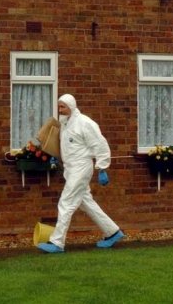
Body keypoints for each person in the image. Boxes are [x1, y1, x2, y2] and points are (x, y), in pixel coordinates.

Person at [37, 94, 124, 252]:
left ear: (71, 106)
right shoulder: (65, 123)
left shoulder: (84, 123)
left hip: (81, 168)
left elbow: (100, 144)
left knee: (66, 202)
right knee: (87, 203)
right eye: (59, 106)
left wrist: (102, 167)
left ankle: (57, 242)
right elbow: (67, 146)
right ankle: (113, 232)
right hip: (71, 169)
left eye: (63, 106)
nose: (60, 109)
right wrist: (56, 158)